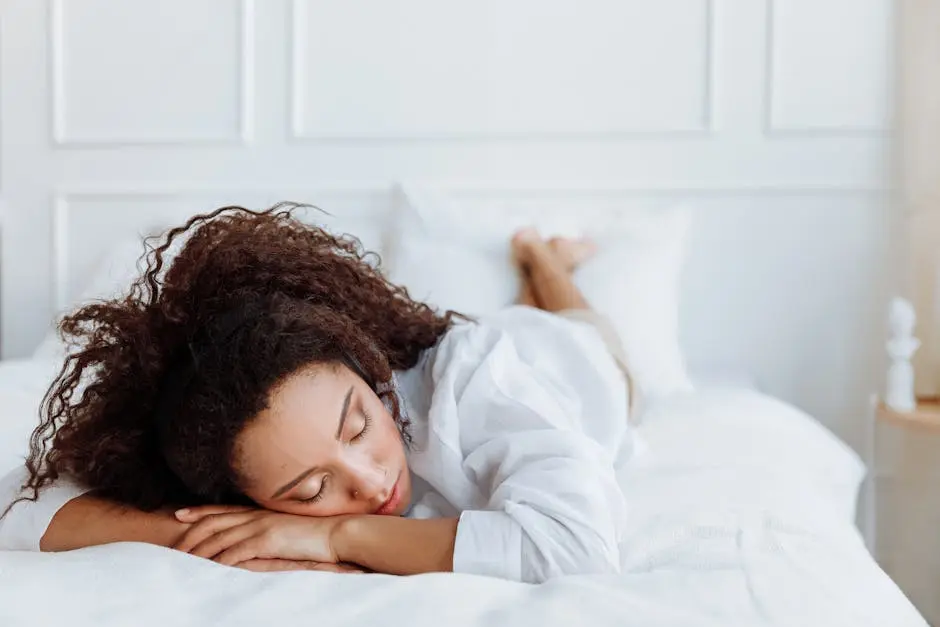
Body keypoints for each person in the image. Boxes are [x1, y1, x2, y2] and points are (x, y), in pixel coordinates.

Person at [0, 205, 634, 583]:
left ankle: (545, 260)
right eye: (308, 490)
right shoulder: (232, 445)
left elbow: (576, 549)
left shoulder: (475, 382)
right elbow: (15, 511)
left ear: (367, 369)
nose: (366, 483)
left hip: (574, 362)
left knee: (576, 323)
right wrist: (228, 533)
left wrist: (335, 536)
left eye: (358, 425)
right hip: (509, 348)